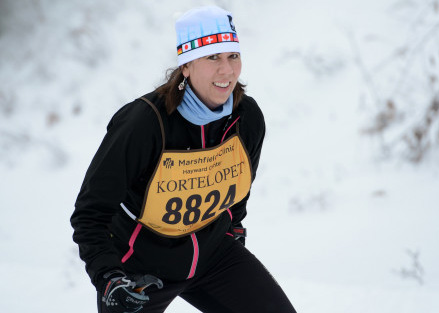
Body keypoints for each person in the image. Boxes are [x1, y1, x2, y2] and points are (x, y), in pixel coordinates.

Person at [70, 6, 296, 313]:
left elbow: (238, 188)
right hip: (139, 268)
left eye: (233, 55)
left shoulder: (247, 118)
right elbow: (90, 214)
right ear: (186, 66)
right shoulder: (144, 123)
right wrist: (109, 276)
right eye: (212, 57)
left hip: (212, 254)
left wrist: (234, 226)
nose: (227, 70)